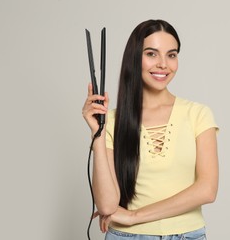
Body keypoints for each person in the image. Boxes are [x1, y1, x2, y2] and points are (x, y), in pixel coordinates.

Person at [82, 19, 219, 239]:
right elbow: (107, 206)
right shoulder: (113, 122)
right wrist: (97, 135)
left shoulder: (198, 114)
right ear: (134, 58)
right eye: (152, 54)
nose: (163, 64)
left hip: (187, 235)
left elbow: (207, 190)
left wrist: (135, 216)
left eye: (171, 55)